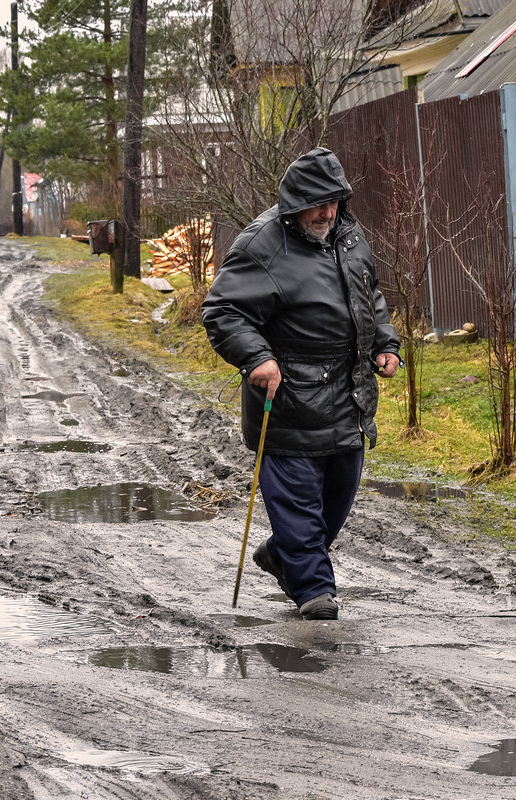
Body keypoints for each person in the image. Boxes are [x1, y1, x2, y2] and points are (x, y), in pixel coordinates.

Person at [201, 147, 401, 621]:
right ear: (294, 201)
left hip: (348, 397)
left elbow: (368, 293)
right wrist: (257, 358)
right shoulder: (261, 246)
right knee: (298, 502)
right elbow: (223, 311)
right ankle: (314, 592)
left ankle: (283, 554)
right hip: (288, 398)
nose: (327, 212)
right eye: (317, 203)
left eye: (334, 201)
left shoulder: (349, 236)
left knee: (337, 498)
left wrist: (384, 343)